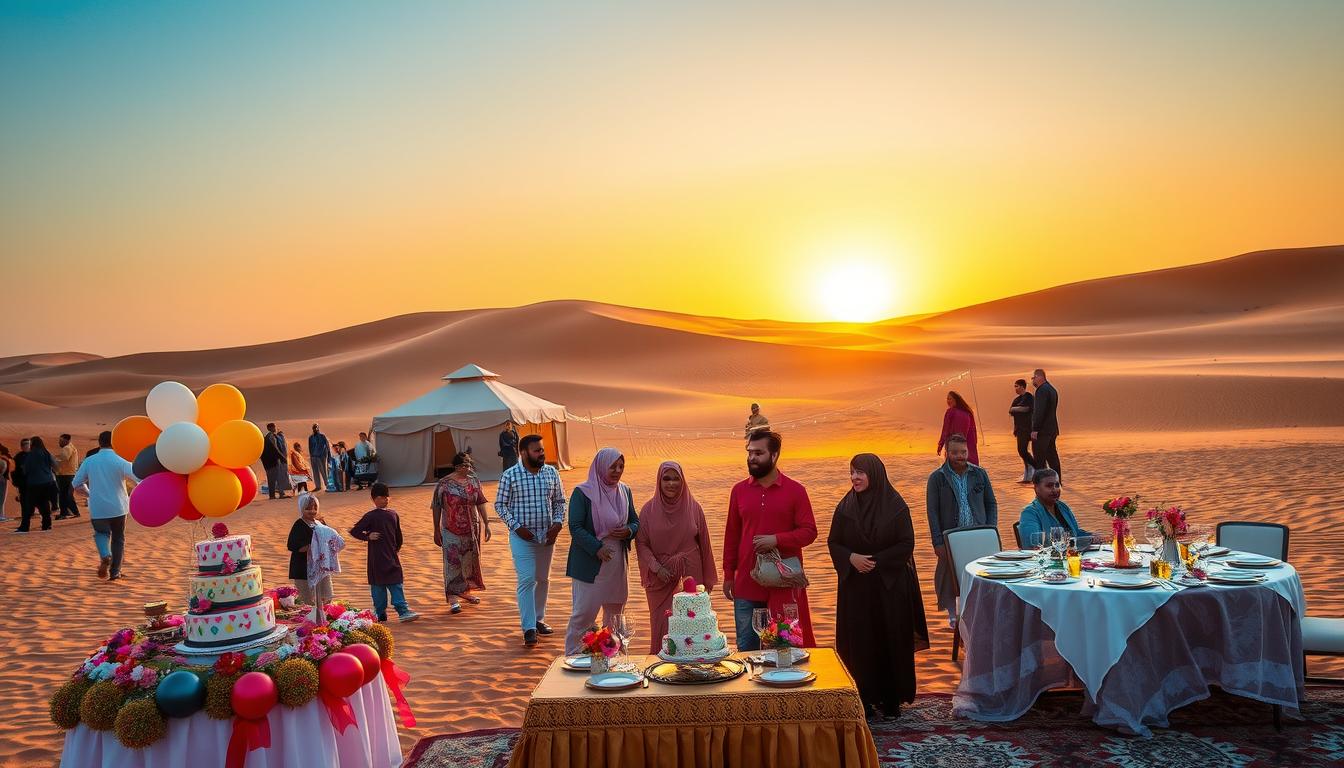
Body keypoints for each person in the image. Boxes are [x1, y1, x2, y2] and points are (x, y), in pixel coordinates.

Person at [828, 454, 929, 719]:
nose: (855, 478)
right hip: (856, 590)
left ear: (875, 474)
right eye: (852, 472)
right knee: (861, 642)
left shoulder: (895, 506)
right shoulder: (845, 507)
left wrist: (875, 561)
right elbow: (834, 542)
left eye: (860, 472)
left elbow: (906, 543)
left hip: (889, 587)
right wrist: (851, 558)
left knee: (890, 639)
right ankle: (864, 698)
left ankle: (891, 698)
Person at [723, 430, 818, 650]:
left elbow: (809, 532)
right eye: (749, 452)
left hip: (783, 585)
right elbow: (732, 536)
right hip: (746, 584)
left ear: (774, 456)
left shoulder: (796, 491)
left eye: (758, 453)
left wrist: (776, 540)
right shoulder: (739, 491)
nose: (751, 458)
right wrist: (729, 575)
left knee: (786, 650)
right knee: (747, 649)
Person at [636, 461, 717, 654]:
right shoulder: (648, 511)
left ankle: (695, 667)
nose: (671, 483)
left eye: (676, 479)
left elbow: (704, 543)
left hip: (691, 576)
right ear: (659, 481)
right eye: (666, 479)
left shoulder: (694, 508)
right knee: (662, 625)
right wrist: (657, 568)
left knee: (693, 631)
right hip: (660, 577)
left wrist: (708, 579)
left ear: (683, 481)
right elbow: (641, 543)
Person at [563, 448, 639, 655]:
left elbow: (635, 521)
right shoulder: (582, 492)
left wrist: (629, 530)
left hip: (617, 564)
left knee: (615, 615)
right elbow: (575, 527)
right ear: (600, 466)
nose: (617, 471)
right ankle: (573, 657)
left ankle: (614, 657)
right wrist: (597, 548)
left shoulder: (625, 490)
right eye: (612, 466)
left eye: (621, 466)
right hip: (590, 562)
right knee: (583, 614)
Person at [494, 434, 566, 647]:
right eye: (536, 450)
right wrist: (517, 527)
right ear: (523, 452)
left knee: (543, 579)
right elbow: (500, 505)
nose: (541, 453)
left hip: (547, 537)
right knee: (527, 579)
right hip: (522, 537)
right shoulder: (510, 475)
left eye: (542, 449)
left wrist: (558, 523)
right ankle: (529, 628)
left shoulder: (552, 473)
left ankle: (539, 619)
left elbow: (560, 501)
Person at [925, 433, 997, 628]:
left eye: (963, 452)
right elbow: (932, 512)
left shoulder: (979, 474)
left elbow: (990, 503)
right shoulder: (937, 478)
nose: (960, 456)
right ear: (947, 453)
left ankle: (979, 611)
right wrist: (937, 541)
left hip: (978, 534)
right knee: (950, 575)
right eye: (955, 452)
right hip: (951, 537)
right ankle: (953, 614)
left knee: (980, 574)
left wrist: (991, 529)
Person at [72, 432, 139, 580]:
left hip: (98, 507)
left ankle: (105, 554)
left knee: (101, 533)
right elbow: (138, 477)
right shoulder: (120, 460)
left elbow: (76, 483)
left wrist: (89, 494)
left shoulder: (90, 461)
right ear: (114, 442)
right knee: (118, 538)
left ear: (99, 443)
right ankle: (115, 572)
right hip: (118, 506)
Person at [349, 483, 420, 623]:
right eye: (381, 497)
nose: (385, 500)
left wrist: (397, 548)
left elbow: (398, 534)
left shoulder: (393, 514)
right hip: (376, 559)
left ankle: (403, 611)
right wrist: (367, 536)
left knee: (396, 583)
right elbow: (355, 531)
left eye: (387, 497)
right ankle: (380, 613)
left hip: (392, 556)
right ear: (373, 499)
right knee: (378, 587)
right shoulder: (370, 516)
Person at [432, 452, 491, 613]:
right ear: (457, 466)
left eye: (469, 465)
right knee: (453, 561)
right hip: (451, 528)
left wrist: (487, 523)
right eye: (465, 465)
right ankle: (452, 596)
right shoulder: (444, 484)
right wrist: (436, 529)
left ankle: (464, 591)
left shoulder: (473, 481)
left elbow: (480, 502)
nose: (468, 468)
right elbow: (436, 506)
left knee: (469, 560)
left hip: (471, 527)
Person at [1018, 469, 1092, 544]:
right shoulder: (1029, 513)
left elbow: (1075, 533)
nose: (1054, 490)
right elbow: (1033, 542)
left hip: (1070, 554)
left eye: (1057, 485)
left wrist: (1091, 537)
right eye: (1049, 486)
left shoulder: (1063, 507)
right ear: (1036, 489)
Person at [288, 493, 337, 605]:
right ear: (301, 508)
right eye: (308, 508)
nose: (312, 511)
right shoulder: (299, 524)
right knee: (307, 601)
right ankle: (310, 620)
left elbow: (329, 539)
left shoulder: (320, 523)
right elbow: (292, 545)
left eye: (315, 508)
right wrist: (312, 547)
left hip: (321, 568)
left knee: (326, 597)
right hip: (303, 569)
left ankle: (323, 619)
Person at [17, 436, 58, 533]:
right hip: (48, 482)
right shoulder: (47, 453)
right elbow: (56, 466)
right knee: (44, 503)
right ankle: (47, 525)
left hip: (34, 483)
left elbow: (26, 469)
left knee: (28, 505)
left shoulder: (31, 455)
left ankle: (24, 527)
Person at [1030, 369, 1062, 482]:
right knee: (1052, 456)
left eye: (1033, 378)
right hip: (1052, 429)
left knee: (1039, 459)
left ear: (1039, 377)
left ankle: (1041, 484)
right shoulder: (1052, 389)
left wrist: (1035, 429)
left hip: (1042, 431)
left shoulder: (1041, 390)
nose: (1032, 380)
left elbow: (1039, 411)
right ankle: (1057, 482)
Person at [936, 391, 979, 466]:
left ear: (956, 400)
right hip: (965, 448)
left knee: (954, 470)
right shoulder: (967, 412)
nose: (948, 401)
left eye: (950, 399)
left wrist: (941, 444)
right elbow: (973, 432)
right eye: (947, 399)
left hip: (953, 445)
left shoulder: (951, 412)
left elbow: (945, 429)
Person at [1009, 379, 1035, 484]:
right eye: (1014, 386)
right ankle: (1029, 472)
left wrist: (1016, 409)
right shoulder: (1016, 399)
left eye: (1017, 386)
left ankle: (1036, 468)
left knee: (1022, 450)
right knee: (1021, 451)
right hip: (1019, 429)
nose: (1015, 388)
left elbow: (1026, 409)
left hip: (1028, 429)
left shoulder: (1029, 397)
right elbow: (1010, 411)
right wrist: (1017, 409)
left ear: (1022, 387)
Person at [54, 434, 81, 519]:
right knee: (65, 494)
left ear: (66, 441)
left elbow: (64, 458)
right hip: (68, 474)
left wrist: (54, 459)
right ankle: (67, 512)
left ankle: (67, 513)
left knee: (64, 494)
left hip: (65, 475)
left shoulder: (67, 448)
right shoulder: (71, 447)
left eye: (61, 440)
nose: (59, 442)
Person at [262, 423, 291, 500]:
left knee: (271, 479)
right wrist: (282, 457)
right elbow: (275, 449)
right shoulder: (271, 437)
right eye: (273, 427)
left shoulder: (267, 437)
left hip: (268, 462)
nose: (274, 428)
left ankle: (272, 495)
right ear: (269, 428)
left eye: (274, 426)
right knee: (278, 477)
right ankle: (281, 494)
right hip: (273, 461)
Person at [308, 424, 331, 492]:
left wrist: (328, 456)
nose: (315, 429)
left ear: (318, 428)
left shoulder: (322, 436)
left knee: (324, 471)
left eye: (316, 427)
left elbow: (327, 446)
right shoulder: (311, 437)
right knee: (315, 472)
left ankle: (327, 485)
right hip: (314, 457)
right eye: (314, 428)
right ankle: (318, 486)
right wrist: (311, 456)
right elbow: (310, 447)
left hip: (322, 457)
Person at [11, 438, 29, 519]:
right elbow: (13, 471)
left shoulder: (36, 455)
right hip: (22, 483)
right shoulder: (17, 457)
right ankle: (25, 516)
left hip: (35, 482)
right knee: (24, 500)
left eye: (28, 444)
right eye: (24, 444)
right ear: (21, 446)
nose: (26, 446)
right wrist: (15, 482)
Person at [0, 444, 12, 523]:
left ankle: (1, 515)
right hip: (2, 478)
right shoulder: (3, 450)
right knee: (1, 497)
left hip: (3, 477)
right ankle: (1, 515)